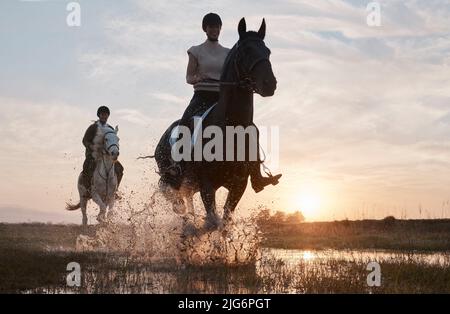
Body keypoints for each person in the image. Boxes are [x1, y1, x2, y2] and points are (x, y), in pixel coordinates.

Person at [179, 13, 281, 193]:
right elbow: (188, 77)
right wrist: (199, 76)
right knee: (185, 124)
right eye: (211, 27)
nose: (214, 30)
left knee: (251, 130)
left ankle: (256, 177)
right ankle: (178, 168)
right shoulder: (195, 50)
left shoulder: (228, 52)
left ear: (220, 29)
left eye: (217, 26)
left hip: (223, 97)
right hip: (202, 97)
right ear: (205, 29)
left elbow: (239, 71)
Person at [81, 106, 124, 194]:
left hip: (107, 156)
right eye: (102, 114)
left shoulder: (110, 129)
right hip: (94, 155)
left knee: (120, 168)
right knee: (87, 167)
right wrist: (91, 147)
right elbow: (84, 140)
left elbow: (113, 141)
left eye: (106, 115)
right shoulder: (93, 127)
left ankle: (115, 191)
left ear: (108, 116)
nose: (104, 116)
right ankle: (87, 190)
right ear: (99, 115)